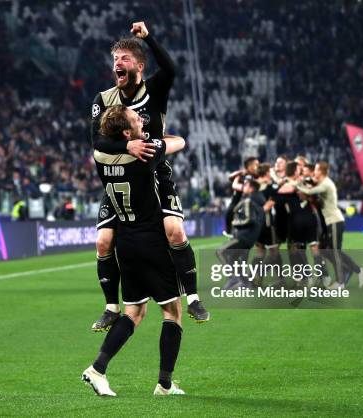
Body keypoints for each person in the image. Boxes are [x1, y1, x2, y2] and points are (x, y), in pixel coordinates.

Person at [90, 21, 208, 331]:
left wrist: (148, 38)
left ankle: (193, 297)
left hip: (154, 174)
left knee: (175, 232)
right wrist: (126, 145)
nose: (118, 62)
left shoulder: (154, 90)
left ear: (139, 66)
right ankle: (110, 306)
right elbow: (96, 141)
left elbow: (171, 69)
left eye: (125, 58)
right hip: (118, 177)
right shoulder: (103, 100)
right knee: (103, 241)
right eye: (115, 57)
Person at [82, 105, 187, 396]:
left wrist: (125, 140)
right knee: (172, 311)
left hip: (125, 243)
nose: (141, 118)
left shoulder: (101, 156)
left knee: (135, 312)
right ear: (127, 132)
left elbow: (102, 141)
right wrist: (155, 139)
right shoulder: (145, 153)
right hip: (151, 242)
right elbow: (180, 142)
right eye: (134, 118)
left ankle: (97, 369)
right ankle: (164, 384)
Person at [294, 161, 363, 288]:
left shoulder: (326, 184)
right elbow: (312, 185)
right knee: (326, 251)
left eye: (316, 170)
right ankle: (353, 270)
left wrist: (296, 184)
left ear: (320, 171)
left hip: (334, 221)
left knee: (334, 251)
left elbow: (310, 192)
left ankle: (341, 281)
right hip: (329, 222)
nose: (314, 172)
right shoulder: (323, 182)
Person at [217, 178, 269, 289]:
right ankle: (244, 282)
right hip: (249, 235)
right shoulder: (257, 198)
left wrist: (235, 223)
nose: (243, 187)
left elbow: (250, 219)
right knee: (234, 259)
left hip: (244, 236)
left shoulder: (251, 199)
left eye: (245, 185)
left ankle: (234, 278)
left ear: (251, 187)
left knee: (221, 252)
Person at [223, 157, 259, 236]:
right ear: (249, 166)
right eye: (256, 164)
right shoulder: (241, 176)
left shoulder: (257, 176)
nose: (258, 166)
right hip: (238, 207)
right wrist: (240, 173)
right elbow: (230, 177)